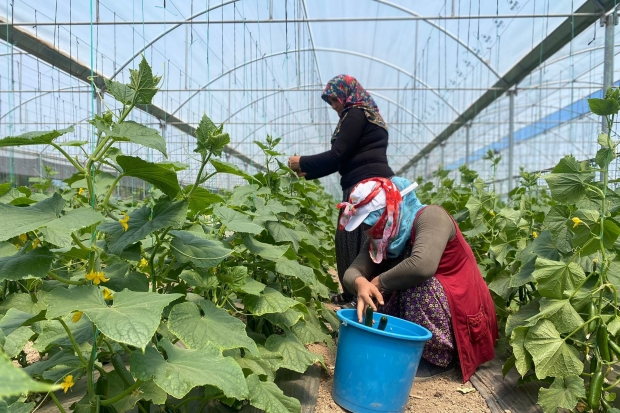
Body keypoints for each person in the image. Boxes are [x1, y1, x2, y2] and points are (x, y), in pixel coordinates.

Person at [338, 176, 497, 382]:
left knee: (417, 286)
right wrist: (360, 283)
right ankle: (407, 345)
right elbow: (352, 271)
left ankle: (438, 358)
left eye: (371, 221)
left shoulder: (432, 217)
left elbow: (422, 266)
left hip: (459, 311)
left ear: (390, 210)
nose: (368, 230)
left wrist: (376, 282)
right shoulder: (384, 237)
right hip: (431, 308)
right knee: (371, 296)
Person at [288, 75, 394, 305]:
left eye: (335, 99)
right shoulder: (368, 114)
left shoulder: (355, 113)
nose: (334, 106)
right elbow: (341, 160)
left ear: (346, 94)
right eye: (330, 102)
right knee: (359, 240)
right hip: (372, 186)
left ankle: (360, 297)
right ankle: (355, 294)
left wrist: (302, 162)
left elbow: (336, 155)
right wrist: (308, 171)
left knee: (354, 241)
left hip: (365, 189)